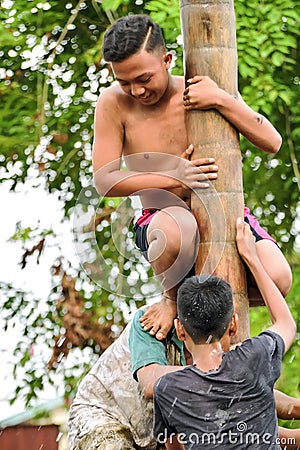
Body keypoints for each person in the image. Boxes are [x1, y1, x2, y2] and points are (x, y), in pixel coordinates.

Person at [92, 14, 292, 341]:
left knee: (279, 278)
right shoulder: (113, 103)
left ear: (168, 60)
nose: (136, 90)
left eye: (143, 78)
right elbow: (105, 180)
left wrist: (221, 99)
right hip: (162, 219)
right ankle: (173, 299)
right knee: (178, 229)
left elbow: (272, 142)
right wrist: (174, 177)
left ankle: (215, 314)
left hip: (224, 213)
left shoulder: (199, 88)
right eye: (124, 81)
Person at [153, 217, 297, 449]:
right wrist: (251, 258)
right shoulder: (255, 358)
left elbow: (173, 445)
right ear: (234, 324)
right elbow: (286, 324)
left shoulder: (168, 389)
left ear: (181, 330)